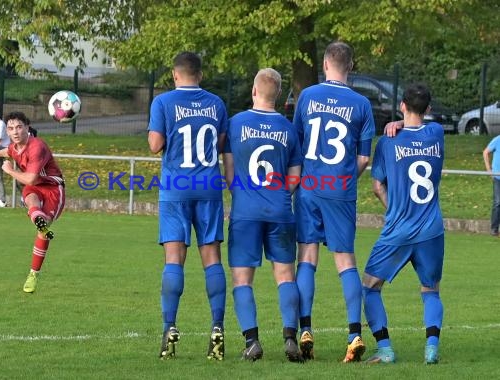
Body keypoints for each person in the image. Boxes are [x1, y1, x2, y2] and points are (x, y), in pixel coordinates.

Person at [292, 41, 375, 362]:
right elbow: (364, 157)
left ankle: (305, 329)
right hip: (340, 189)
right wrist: (343, 178)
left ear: (326, 64)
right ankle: (354, 334)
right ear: (350, 67)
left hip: (310, 186)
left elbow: (297, 145)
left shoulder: (308, 96)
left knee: (307, 258)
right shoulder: (362, 104)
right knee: (345, 261)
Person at [148, 51, 228, 360]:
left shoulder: (163, 102)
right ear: (201, 74)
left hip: (176, 188)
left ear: (174, 74)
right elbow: (219, 144)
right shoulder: (217, 104)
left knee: (174, 259)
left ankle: (170, 327)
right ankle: (217, 327)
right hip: (208, 186)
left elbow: (155, 145)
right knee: (211, 257)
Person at [223, 68, 303, 362]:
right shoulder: (288, 128)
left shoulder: (236, 124)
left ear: (254, 91)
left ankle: (252, 341)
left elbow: (229, 172)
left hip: (246, 211)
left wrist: (243, 196)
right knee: (285, 276)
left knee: (242, 279)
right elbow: (295, 176)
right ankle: (290, 338)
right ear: (278, 95)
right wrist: (281, 195)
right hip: (280, 210)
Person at [362, 83, 445, 364]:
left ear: (402, 106)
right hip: (432, 229)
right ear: (429, 110)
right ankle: (431, 348)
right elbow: (420, 125)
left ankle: (385, 350)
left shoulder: (387, 142)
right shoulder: (437, 134)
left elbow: (377, 186)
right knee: (430, 290)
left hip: (398, 228)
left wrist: (393, 208)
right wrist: (403, 120)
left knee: (370, 287)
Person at [0, 111, 65, 293]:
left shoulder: (37, 147)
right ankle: (39, 218)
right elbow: (9, 151)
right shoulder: (15, 147)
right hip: (36, 188)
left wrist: (8, 170)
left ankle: (34, 272)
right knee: (30, 197)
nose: (15, 132)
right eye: (11, 128)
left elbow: (29, 178)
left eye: (19, 127)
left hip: (53, 189)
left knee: (41, 229)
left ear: (27, 128)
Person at [483, 135, 500, 236]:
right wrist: (489, 170)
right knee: (498, 202)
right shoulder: (498, 139)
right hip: (498, 177)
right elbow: (486, 152)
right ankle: (494, 229)